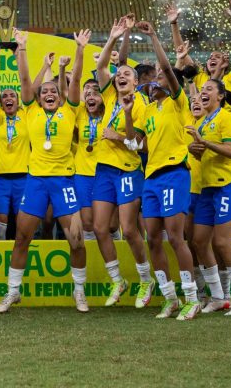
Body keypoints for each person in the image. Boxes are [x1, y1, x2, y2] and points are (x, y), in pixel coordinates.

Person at [0, 29, 88, 313]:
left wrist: (80, 49)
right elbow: (25, 80)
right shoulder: (30, 111)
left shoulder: (70, 109)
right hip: (35, 182)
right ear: (38, 98)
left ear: (60, 97)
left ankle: (80, 292)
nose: (49, 93)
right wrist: (21, 49)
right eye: (44, 91)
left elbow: (75, 84)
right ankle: (13, 292)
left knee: (76, 239)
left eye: (53, 91)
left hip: (63, 182)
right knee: (22, 237)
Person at [128, 21, 202, 320]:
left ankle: (192, 298)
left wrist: (154, 36)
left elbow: (170, 72)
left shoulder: (177, 102)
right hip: (151, 177)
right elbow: (137, 142)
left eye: (161, 76)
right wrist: (126, 110)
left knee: (175, 238)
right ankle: (170, 297)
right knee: (153, 239)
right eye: (155, 77)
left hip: (174, 173)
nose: (158, 80)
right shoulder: (147, 109)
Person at [91, 17, 154, 308]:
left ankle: (146, 280)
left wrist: (116, 133)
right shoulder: (110, 93)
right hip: (104, 169)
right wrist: (114, 37)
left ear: (137, 81)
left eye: (127, 73)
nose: (121, 75)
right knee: (100, 228)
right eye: (120, 74)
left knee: (129, 230)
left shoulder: (141, 105)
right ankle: (118, 280)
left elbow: (137, 143)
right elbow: (103, 66)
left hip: (128, 170)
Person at [186, 79, 231, 316]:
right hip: (208, 189)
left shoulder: (227, 118)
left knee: (222, 243)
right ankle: (218, 298)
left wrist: (204, 143)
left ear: (221, 96)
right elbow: (204, 155)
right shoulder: (203, 122)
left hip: (229, 186)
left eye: (208, 90)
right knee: (199, 242)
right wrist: (195, 150)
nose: (203, 93)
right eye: (202, 90)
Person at [0, 86, 30, 240]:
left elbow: (31, 93)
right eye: (4, 96)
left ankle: (20, 260)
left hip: (23, 177)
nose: (8, 98)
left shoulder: (26, 114)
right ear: (0, 102)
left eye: (12, 95)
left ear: (18, 101)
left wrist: (46, 66)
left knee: (23, 224)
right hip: (0, 178)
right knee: (0, 225)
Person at [73, 77, 104, 240]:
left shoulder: (109, 113)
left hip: (104, 173)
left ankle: (117, 251)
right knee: (87, 223)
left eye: (96, 90)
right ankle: (92, 259)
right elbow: (68, 91)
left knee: (109, 224)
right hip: (82, 173)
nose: (91, 93)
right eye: (87, 90)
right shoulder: (79, 111)